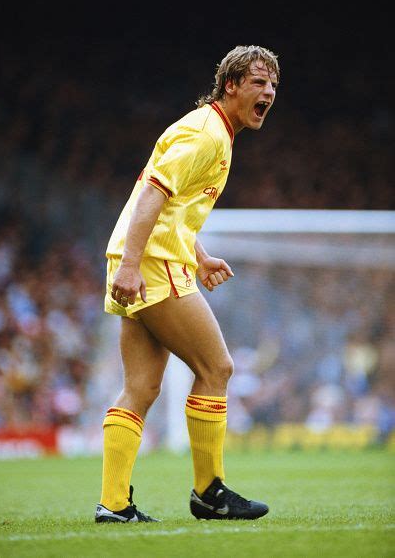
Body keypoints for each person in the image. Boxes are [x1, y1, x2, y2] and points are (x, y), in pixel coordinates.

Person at [95, 44, 280, 523]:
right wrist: (134, 265)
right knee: (216, 368)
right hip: (151, 264)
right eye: (259, 82)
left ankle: (113, 505)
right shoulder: (208, 135)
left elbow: (168, 204)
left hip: (147, 259)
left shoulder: (210, 130)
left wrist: (196, 256)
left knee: (141, 386)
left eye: (274, 85)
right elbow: (152, 193)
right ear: (231, 85)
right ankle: (209, 493)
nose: (269, 92)